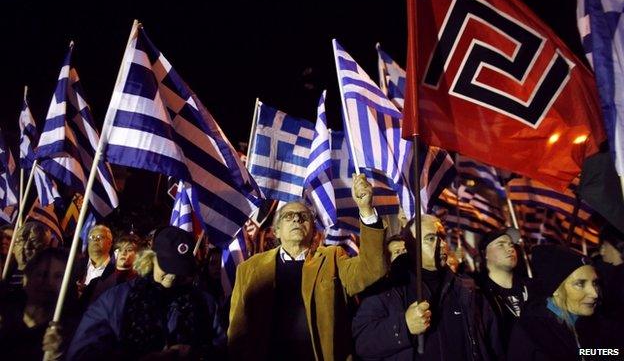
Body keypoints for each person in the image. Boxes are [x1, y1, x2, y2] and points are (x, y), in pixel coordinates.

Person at [228, 174, 387, 360]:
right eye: (288, 216)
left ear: (313, 230)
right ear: (276, 231)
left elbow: (372, 269)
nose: (297, 219)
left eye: (304, 216)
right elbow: (237, 332)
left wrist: (366, 210)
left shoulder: (332, 258)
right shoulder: (248, 269)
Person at [352, 214, 502, 361]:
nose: (442, 244)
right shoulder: (388, 289)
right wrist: (404, 327)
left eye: (442, 237)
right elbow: (362, 342)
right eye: (430, 238)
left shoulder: (467, 289)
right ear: (410, 245)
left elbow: (493, 344)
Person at [67, 225, 222, 360]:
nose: (173, 276)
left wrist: (199, 355)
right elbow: (81, 352)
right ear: (151, 258)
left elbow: (222, 350)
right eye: (167, 267)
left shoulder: (204, 303)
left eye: (180, 269)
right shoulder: (116, 299)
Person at [507, 244, 622, 360]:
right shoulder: (531, 332)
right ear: (555, 289)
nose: (595, 294)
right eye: (580, 284)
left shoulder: (593, 324)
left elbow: (592, 352)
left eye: (595, 283)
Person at [0, 248, 79, 360]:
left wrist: (59, 356)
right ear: (26, 279)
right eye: (42, 274)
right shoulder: (6, 311)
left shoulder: (66, 331)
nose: (48, 282)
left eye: (58, 276)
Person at [477, 227, 528, 351]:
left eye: (511, 244)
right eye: (501, 245)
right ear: (485, 254)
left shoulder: (532, 288)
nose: (510, 248)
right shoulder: (478, 294)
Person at [87, 233, 140, 304]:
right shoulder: (95, 283)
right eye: (120, 249)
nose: (123, 253)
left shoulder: (140, 286)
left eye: (129, 250)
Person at [74, 225, 115, 303]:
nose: (95, 239)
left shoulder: (114, 273)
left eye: (100, 237)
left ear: (109, 243)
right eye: (92, 237)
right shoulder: (75, 264)